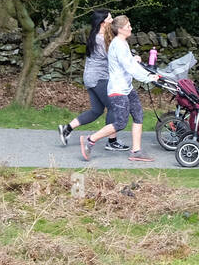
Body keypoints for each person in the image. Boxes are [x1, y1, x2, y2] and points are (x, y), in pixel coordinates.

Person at [80, 15, 161, 162]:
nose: (131, 28)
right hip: (118, 90)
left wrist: (150, 74)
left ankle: (136, 151)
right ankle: (90, 140)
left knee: (138, 115)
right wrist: (148, 78)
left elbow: (132, 63)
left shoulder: (123, 43)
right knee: (120, 123)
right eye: (128, 25)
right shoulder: (117, 44)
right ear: (120, 29)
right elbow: (130, 67)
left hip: (127, 88)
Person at [59, 9, 128, 151]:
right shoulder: (100, 39)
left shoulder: (98, 35)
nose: (112, 20)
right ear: (103, 22)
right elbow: (113, 57)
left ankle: (67, 128)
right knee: (113, 107)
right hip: (99, 78)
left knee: (96, 110)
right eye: (110, 18)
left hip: (91, 78)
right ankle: (112, 141)